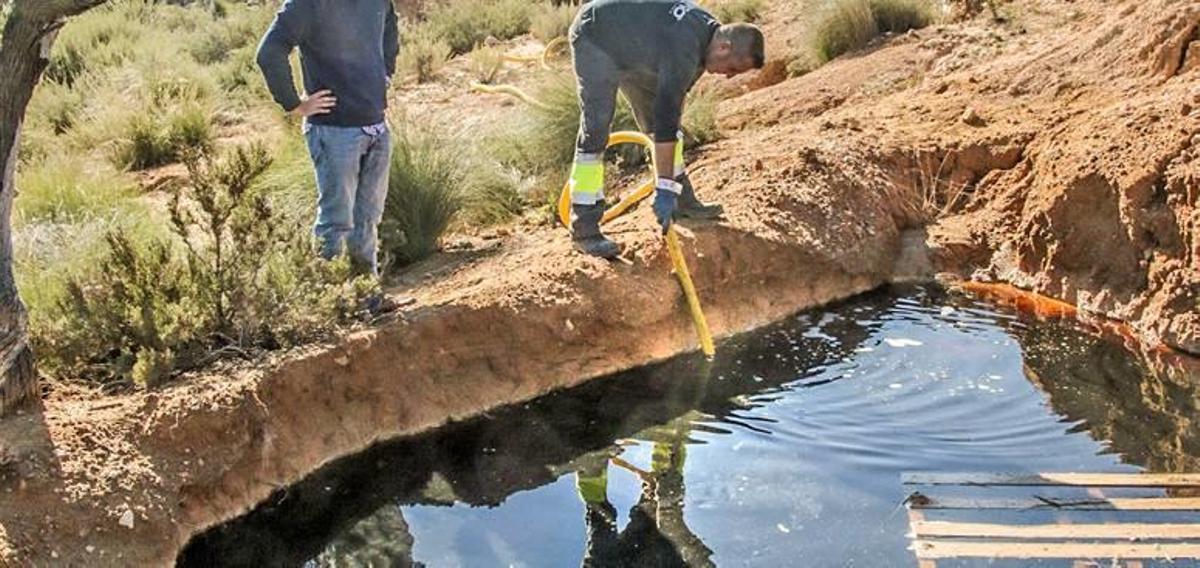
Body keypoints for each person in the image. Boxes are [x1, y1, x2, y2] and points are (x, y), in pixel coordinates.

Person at [567, 0, 765, 259]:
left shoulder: (706, 41)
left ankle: (683, 200)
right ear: (724, 46)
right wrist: (663, 187)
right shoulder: (685, 46)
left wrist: (669, 186)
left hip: (633, 49)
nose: (729, 76)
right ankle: (584, 229)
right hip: (596, 37)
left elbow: (671, 113)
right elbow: (666, 117)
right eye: (733, 68)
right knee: (596, 128)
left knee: (663, 123)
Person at [256, 0, 400, 281]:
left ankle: (365, 296)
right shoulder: (308, 4)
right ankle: (331, 299)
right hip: (334, 132)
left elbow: (390, 28)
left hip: (377, 127)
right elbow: (269, 52)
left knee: (368, 219)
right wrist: (293, 104)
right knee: (336, 223)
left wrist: (385, 73)